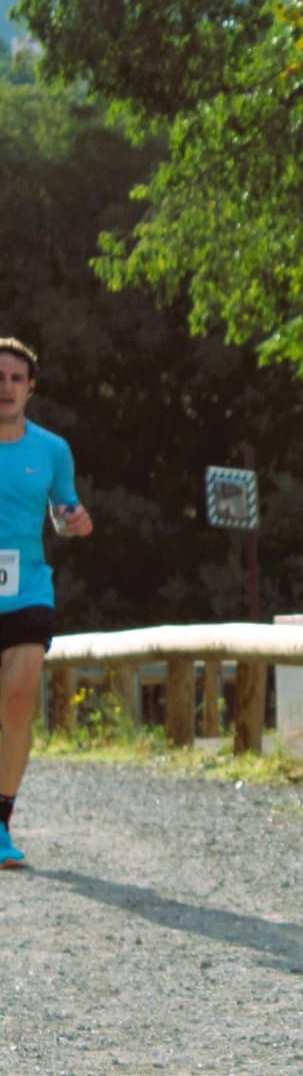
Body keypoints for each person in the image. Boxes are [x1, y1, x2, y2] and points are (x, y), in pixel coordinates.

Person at [0, 338, 94, 868]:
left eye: (16, 378)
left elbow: (62, 508)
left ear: (31, 387)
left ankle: (0, 823)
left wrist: (73, 520)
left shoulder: (52, 450)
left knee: (16, 702)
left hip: (28, 589)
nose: (6, 388)